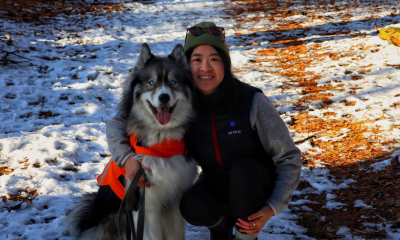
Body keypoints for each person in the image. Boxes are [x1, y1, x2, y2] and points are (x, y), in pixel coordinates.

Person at [106, 22, 302, 240]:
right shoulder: (183, 104)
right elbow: (117, 122)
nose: (205, 68)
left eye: (214, 59)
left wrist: (273, 207)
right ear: (186, 67)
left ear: (225, 65)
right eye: (197, 60)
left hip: (254, 183)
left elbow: (289, 157)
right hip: (216, 182)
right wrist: (126, 159)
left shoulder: (252, 101)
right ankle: (220, 229)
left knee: (244, 171)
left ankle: (245, 237)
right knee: (191, 205)